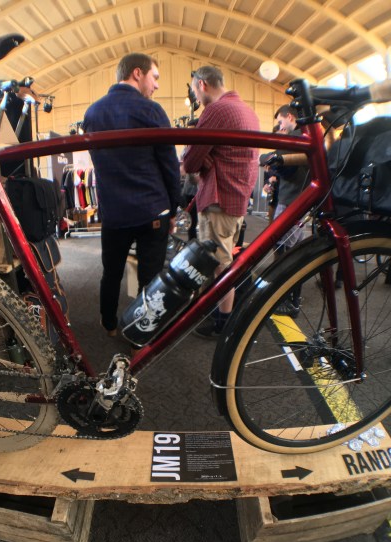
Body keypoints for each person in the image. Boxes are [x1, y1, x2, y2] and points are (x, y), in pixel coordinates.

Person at [82, 53, 180, 336]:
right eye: (155, 77)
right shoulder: (151, 111)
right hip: (152, 208)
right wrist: (174, 208)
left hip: (114, 210)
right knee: (150, 277)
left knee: (111, 272)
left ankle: (109, 324)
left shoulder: (93, 113)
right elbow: (169, 165)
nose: (156, 85)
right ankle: (141, 332)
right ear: (138, 73)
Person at [181, 65, 259, 339]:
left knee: (220, 265)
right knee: (224, 261)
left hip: (218, 199)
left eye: (194, 91)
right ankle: (219, 316)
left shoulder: (216, 111)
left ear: (202, 84)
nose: (195, 97)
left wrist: (203, 160)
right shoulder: (247, 111)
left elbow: (190, 161)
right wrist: (206, 159)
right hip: (237, 200)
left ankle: (223, 324)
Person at [260, 105, 310, 316]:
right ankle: (292, 299)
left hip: (291, 202)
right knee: (291, 252)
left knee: (284, 253)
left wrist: (271, 161)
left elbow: (279, 163)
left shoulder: (295, 139)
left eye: (281, 122)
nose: (280, 126)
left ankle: (289, 300)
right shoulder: (303, 138)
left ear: (290, 117)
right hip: (298, 202)